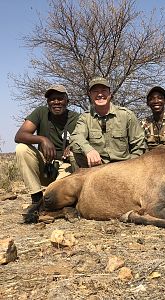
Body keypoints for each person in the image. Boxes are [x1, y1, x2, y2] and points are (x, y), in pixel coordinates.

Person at [15, 84, 79, 223]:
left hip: (65, 167)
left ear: (67, 101)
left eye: (60, 99)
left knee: (56, 195)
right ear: (47, 102)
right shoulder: (40, 112)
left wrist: (74, 146)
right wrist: (41, 139)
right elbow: (19, 135)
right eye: (52, 99)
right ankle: (36, 198)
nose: (56, 102)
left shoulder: (77, 118)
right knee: (22, 148)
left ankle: (54, 206)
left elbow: (85, 139)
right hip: (46, 165)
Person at [70, 76, 146, 168]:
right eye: (95, 91)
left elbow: (139, 145)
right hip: (97, 167)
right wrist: (89, 150)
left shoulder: (126, 115)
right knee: (73, 154)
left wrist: (131, 165)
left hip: (124, 166)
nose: (100, 94)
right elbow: (76, 137)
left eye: (103, 90)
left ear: (110, 93)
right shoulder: (85, 117)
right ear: (90, 95)